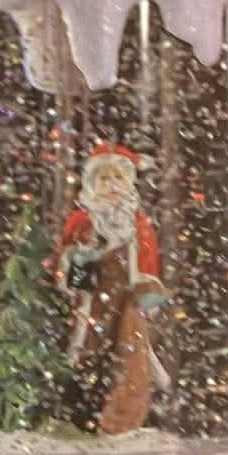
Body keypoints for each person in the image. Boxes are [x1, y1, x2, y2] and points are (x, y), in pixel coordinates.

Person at [57, 143, 169, 435]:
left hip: (126, 307)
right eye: (104, 178)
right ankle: (84, 414)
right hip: (92, 309)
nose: (111, 185)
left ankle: (124, 419)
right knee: (87, 357)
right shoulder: (83, 222)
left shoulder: (139, 225)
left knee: (129, 359)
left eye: (118, 177)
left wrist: (146, 298)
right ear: (92, 184)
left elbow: (148, 269)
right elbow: (71, 272)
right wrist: (79, 269)